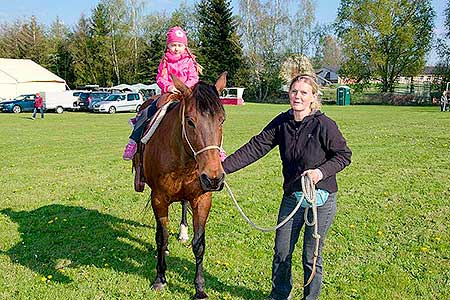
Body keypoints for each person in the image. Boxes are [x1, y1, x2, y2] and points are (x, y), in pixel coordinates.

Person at [222, 74, 352, 300]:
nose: (298, 96)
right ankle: (280, 295)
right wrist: (223, 168)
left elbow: (343, 155)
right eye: (294, 92)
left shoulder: (325, 125)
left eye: (303, 92)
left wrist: (320, 172)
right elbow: (256, 147)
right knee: (282, 251)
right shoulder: (282, 123)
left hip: (321, 201)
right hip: (293, 197)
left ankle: (310, 298)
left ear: (313, 97)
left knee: (311, 256)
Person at [122, 26, 201, 160]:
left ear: (185, 46)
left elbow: (194, 78)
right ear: (168, 46)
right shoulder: (165, 61)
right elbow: (160, 78)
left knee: (206, 117)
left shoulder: (189, 61)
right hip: (169, 94)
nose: (176, 48)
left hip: (187, 95)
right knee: (147, 111)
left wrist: (184, 88)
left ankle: (217, 150)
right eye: (173, 45)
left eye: (180, 45)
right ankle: (133, 142)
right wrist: (169, 87)